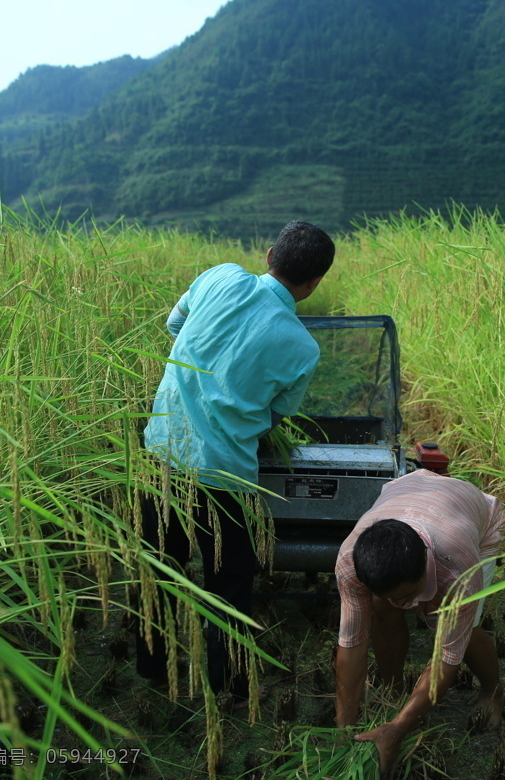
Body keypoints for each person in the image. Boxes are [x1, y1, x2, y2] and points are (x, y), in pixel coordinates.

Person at [135, 220, 335, 703]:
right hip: (221, 476)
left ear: (269, 254)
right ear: (313, 284)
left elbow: (174, 325)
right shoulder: (303, 348)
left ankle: (152, 673)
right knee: (230, 578)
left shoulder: (219, 276)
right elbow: (273, 418)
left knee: (159, 568)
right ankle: (230, 683)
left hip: (159, 453)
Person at [334, 469, 505, 777]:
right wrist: (344, 728)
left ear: (425, 569)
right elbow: (351, 644)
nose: (405, 605)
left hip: (472, 518)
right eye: (396, 597)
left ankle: (493, 690)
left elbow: (446, 657)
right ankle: (394, 687)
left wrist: (399, 728)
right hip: (409, 493)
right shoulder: (350, 563)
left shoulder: (456, 571)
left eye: (409, 595)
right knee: (381, 610)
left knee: (459, 629)